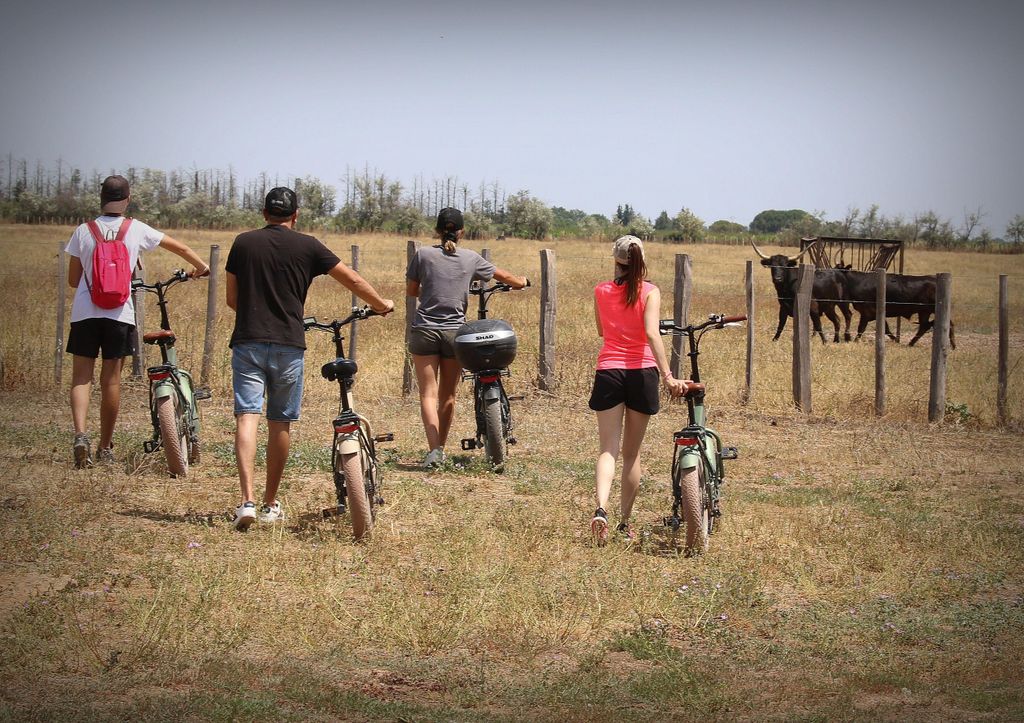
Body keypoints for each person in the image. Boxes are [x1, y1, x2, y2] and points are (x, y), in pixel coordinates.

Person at [226, 187, 394, 531]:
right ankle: (271, 503)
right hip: (289, 344)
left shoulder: (242, 243)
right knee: (280, 423)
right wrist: (380, 304)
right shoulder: (308, 245)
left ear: (263, 212)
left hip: (248, 341)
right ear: (296, 214)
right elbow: (352, 278)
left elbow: (232, 299)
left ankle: (246, 501)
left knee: (247, 417)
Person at [65, 175, 209, 468]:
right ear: (127, 199)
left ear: (101, 199)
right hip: (119, 314)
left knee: (82, 377)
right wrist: (201, 267)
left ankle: (81, 436)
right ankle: (105, 447)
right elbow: (178, 247)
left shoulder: (83, 231)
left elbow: (72, 280)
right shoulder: (135, 229)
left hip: (84, 313)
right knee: (111, 381)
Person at [406, 208, 528, 468]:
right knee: (448, 396)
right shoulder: (471, 258)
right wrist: (521, 281)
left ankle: (434, 451)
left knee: (428, 393)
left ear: (437, 231)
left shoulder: (423, 255)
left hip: (425, 330)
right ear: (461, 232)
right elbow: (504, 277)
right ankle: (442, 445)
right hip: (454, 334)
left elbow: (412, 290)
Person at [588, 235, 688, 544]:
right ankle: (624, 524)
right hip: (642, 373)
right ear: (641, 260)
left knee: (608, 450)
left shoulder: (601, 291)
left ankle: (601, 509)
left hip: (609, 371)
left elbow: (602, 330)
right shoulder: (650, 292)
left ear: (615, 261)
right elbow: (651, 333)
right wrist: (668, 375)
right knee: (631, 454)